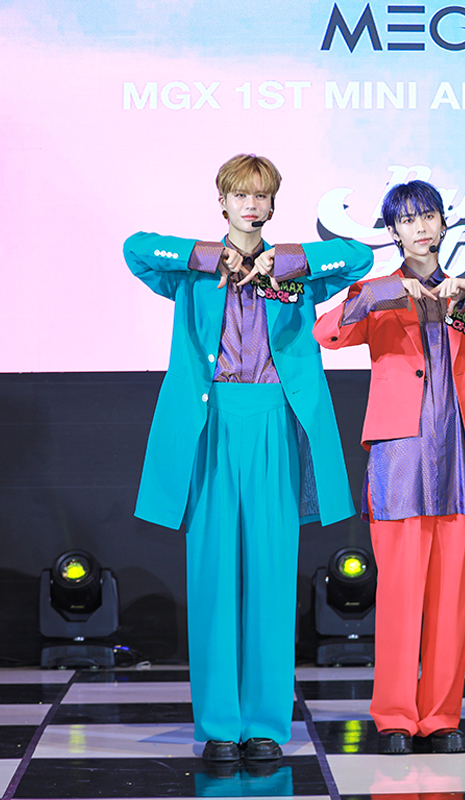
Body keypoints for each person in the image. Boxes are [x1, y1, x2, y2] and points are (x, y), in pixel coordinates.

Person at [123, 154, 372, 763]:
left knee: (271, 573)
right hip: (211, 425)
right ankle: (218, 726)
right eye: (241, 195)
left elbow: (358, 257)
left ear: (273, 204)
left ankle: (264, 724)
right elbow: (136, 249)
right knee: (212, 574)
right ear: (223, 202)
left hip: (273, 422)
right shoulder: (191, 272)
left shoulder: (294, 271)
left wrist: (282, 262)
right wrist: (210, 257)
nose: (252, 206)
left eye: (262, 196)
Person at [313, 179, 465, 756]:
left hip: (461, 456)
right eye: (408, 219)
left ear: (443, 223)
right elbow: (328, 333)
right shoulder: (379, 292)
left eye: (429, 215)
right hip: (401, 458)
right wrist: (385, 292)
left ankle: (440, 716)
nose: (420, 227)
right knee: (400, 594)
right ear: (392, 231)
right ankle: (394, 715)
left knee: (452, 597)